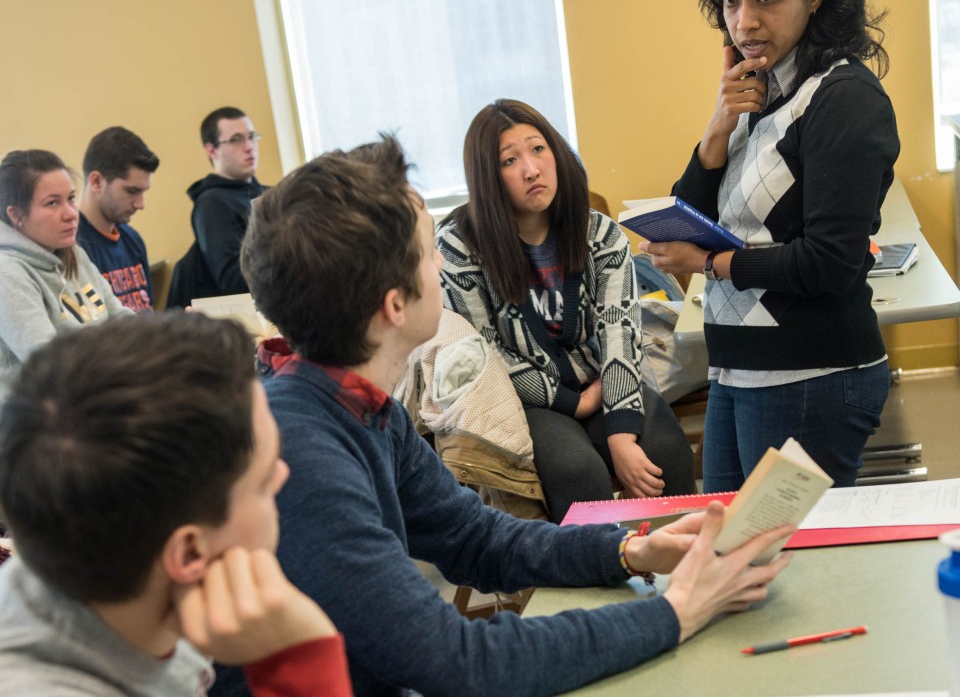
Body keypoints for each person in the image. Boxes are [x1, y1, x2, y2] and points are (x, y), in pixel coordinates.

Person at [211, 134, 793, 697]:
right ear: (394, 305)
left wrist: (627, 550)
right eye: (429, 251)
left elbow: (475, 536)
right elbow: (462, 663)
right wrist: (676, 611)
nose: (442, 261)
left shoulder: (361, 407)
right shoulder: (299, 455)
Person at [638, 0, 899, 493]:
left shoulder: (844, 100)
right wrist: (716, 128)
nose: (744, 22)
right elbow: (688, 215)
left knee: (791, 572)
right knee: (739, 565)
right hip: (739, 371)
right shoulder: (759, 90)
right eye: (730, 0)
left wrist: (709, 264)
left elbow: (829, 263)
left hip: (813, 377)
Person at [0, 313, 353, 696]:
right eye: (264, 478)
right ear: (188, 553)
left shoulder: (92, 572)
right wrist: (301, 661)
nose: (283, 474)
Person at [437, 99, 696, 522]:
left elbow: (621, 332)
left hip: (604, 379)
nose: (531, 169)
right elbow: (482, 353)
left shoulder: (599, 232)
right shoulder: (459, 247)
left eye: (538, 149)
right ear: (487, 177)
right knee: (577, 473)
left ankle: (682, 576)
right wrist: (569, 403)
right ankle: (598, 581)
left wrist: (621, 434)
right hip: (526, 400)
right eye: (509, 160)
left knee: (666, 451)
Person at [0, 150, 131, 405]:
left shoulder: (75, 255)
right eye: (52, 203)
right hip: (36, 430)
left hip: (87, 403)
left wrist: (172, 333)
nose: (71, 213)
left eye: (71, 199)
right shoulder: (7, 274)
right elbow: (54, 364)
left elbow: (120, 319)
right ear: (16, 216)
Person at [169, 107, 266, 306]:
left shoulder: (266, 194)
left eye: (251, 136)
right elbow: (233, 283)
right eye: (236, 139)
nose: (249, 146)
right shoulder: (212, 203)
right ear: (211, 150)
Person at [77, 126, 160, 311]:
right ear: (97, 181)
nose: (141, 204)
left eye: (143, 192)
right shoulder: (71, 247)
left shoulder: (133, 240)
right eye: (132, 191)